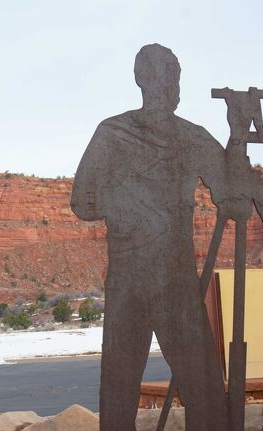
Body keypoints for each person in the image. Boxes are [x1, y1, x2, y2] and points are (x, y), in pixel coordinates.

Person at [71, 43, 229, 430]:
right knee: (122, 386)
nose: (171, 84)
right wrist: (131, 203)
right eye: (165, 74)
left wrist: (238, 143)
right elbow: (82, 203)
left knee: (202, 387)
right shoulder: (113, 133)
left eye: (174, 75)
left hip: (175, 281)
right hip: (131, 282)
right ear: (143, 79)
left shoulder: (192, 137)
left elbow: (232, 194)